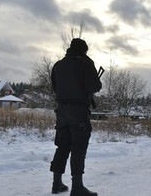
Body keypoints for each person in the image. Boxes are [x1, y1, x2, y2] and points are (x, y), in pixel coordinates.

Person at [50, 38, 102, 196]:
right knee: (78, 148)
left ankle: (57, 183)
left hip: (62, 111)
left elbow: (55, 87)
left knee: (62, 146)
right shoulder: (86, 63)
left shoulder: (58, 65)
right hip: (78, 111)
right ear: (84, 50)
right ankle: (77, 187)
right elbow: (95, 86)